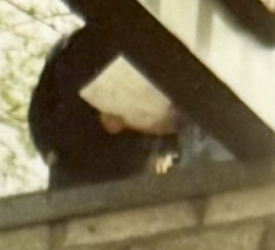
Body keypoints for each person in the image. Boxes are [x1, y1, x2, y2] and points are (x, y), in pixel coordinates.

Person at [27, 23, 178, 191]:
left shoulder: (163, 41)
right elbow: (47, 118)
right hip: (84, 169)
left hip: (137, 170)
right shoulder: (79, 49)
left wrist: (171, 126)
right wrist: (96, 124)